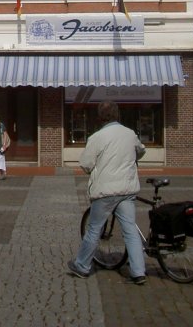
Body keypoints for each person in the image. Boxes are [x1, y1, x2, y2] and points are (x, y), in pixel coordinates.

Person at [69, 101, 147, 285]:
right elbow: (141, 151)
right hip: (127, 189)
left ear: (100, 117)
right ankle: (138, 271)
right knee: (130, 231)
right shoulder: (129, 134)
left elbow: (86, 164)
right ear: (117, 115)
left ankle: (82, 265)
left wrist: (94, 170)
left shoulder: (97, 137)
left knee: (94, 229)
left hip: (105, 191)